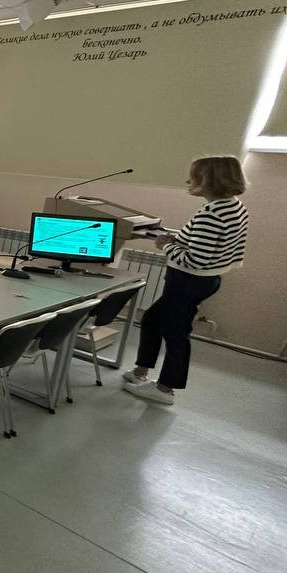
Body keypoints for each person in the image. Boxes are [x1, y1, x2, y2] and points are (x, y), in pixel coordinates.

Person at [124, 155, 249, 405]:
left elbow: (195, 260)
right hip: (208, 279)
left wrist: (165, 246)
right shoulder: (232, 206)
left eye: (194, 176)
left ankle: (165, 389)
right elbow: (211, 244)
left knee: (176, 333)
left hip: (188, 280)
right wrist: (177, 238)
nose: (188, 181)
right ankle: (140, 372)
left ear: (210, 180)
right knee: (152, 320)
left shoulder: (211, 214)